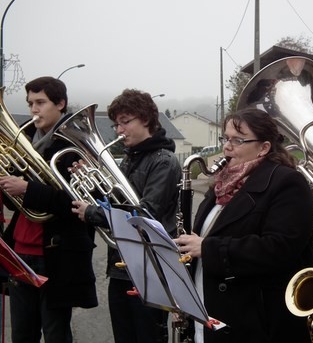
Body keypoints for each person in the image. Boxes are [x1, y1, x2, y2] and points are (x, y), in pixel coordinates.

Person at [174, 108, 313, 343]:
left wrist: (208, 248)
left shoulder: (287, 182)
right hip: (207, 312)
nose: (227, 147)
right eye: (226, 138)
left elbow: (280, 248)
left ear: (264, 147)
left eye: (238, 140)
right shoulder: (223, 182)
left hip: (256, 323)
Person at [72, 88, 182, 343]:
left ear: (145, 119)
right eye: (116, 124)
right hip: (121, 265)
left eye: (125, 121)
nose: (118, 130)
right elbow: (116, 202)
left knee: (147, 336)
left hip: (150, 266)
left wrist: (94, 213)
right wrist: (91, 184)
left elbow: (145, 215)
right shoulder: (129, 159)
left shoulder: (163, 161)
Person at [0, 76, 98, 342]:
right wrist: (8, 185)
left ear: (61, 104)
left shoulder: (74, 146)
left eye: (40, 102)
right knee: (22, 333)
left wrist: (28, 189)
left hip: (55, 255)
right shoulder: (24, 138)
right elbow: (16, 204)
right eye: (30, 103)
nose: (34, 109)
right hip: (20, 251)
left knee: (55, 333)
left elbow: (75, 205)